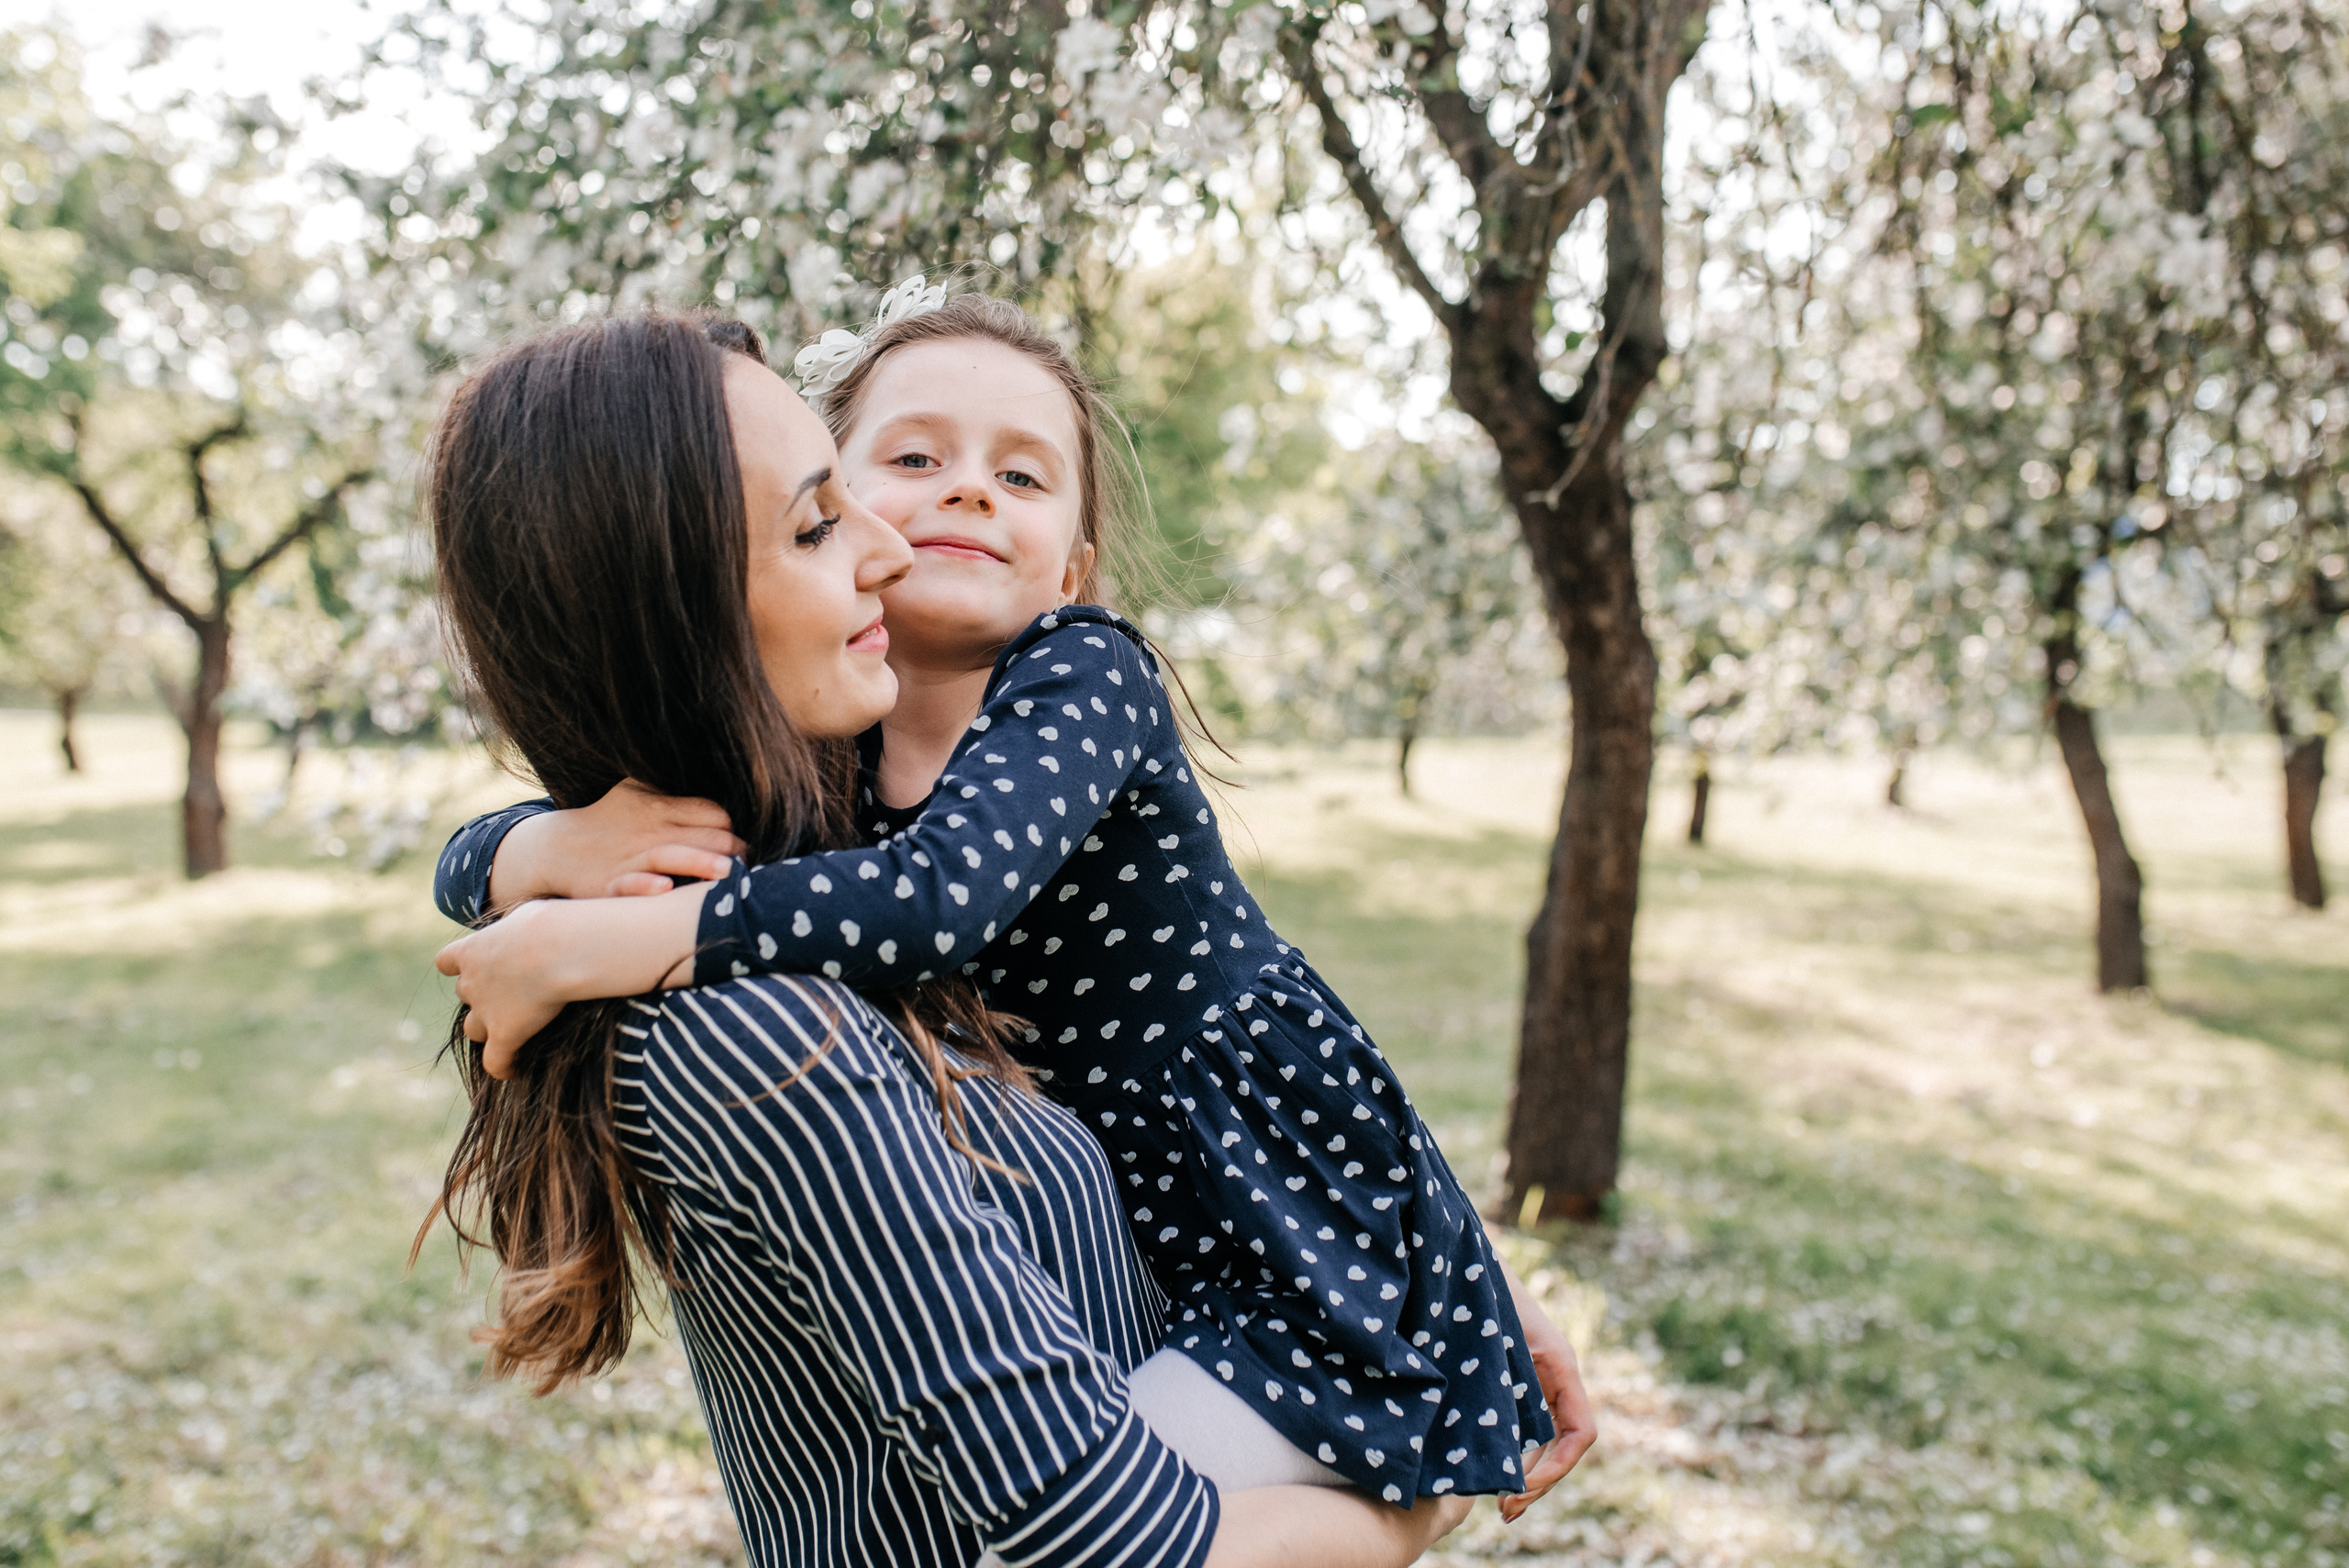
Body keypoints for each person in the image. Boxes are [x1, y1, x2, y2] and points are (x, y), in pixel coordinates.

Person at [434, 287, 1598, 1517]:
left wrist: (586, 942)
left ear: (1077, 573)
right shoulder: (824, 771)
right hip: (1169, 1256)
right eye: (914, 458)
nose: (970, 491)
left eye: (1024, 476)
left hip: (1280, 1234)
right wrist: (545, 847)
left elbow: (939, 901)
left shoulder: (1082, 675)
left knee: (1109, 1524)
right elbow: (468, 865)